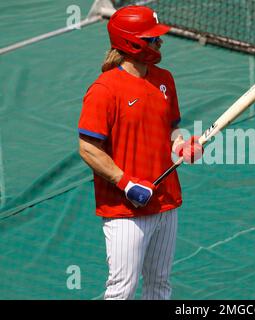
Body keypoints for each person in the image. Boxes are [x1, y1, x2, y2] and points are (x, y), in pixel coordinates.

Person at [78, 5, 203, 300]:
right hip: (125, 210)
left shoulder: (164, 80)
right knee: (123, 288)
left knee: (160, 284)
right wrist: (126, 183)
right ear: (131, 42)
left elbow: (171, 129)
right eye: (152, 38)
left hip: (166, 202)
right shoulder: (104, 90)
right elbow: (87, 148)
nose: (159, 43)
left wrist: (181, 145)